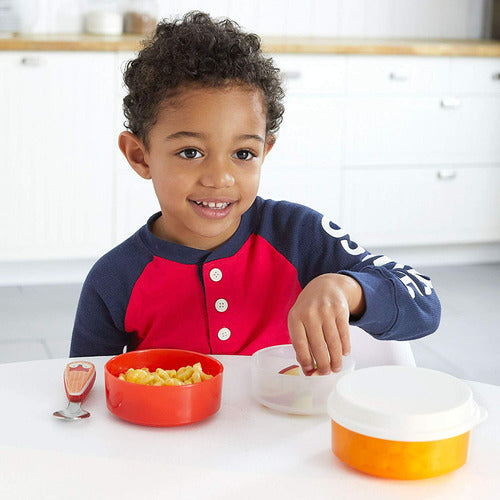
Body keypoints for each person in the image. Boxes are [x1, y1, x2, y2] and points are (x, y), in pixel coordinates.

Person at [70, 11, 440, 375]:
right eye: (190, 152)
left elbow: (425, 304)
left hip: (287, 431)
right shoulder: (114, 279)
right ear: (140, 155)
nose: (220, 178)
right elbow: (82, 392)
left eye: (243, 154)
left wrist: (346, 288)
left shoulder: (298, 235)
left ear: (265, 151)